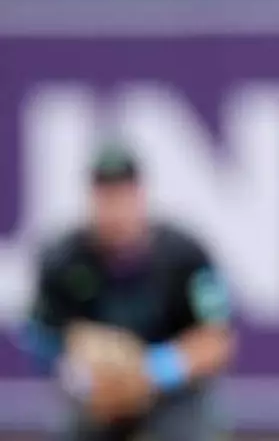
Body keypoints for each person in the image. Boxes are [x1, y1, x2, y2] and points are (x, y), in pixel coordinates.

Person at [18, 141, 236, 441]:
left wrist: (155, 369)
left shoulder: (184, 255)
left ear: (140, 195)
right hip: (101, 399)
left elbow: (217, 340)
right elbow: (43, 336)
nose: (115, 207)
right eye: (105, 195)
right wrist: (82, 375)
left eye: (122, 194)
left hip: (175, 398)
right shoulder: (63, 261)